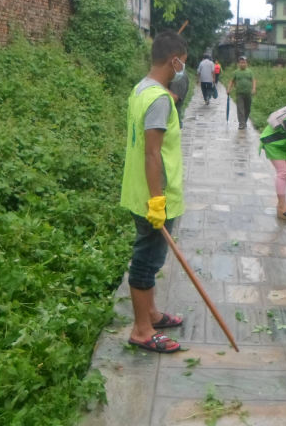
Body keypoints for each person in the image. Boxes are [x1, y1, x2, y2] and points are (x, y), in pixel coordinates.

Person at [120, 30, 188, 353]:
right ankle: (142, 331)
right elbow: (152, 153)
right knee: (146, 262)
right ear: (173, 61)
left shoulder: (141, 89)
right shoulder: (160, 100)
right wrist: (157, 201)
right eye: (182, 63)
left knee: (149, 258)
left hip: (139, 191)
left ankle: (151, 314)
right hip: (154, 197)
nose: (182, 69)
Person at [227, 56, 256, 130]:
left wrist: (253, 88)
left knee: (247, 109)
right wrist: (229, 89)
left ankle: (244, 122)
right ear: (238, 64)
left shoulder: (250, 72)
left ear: (246, 63)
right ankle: (241, 124)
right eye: (241, 63)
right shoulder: (236, 72)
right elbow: (231, 81)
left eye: (244, 62)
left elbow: (253, 80)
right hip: (239, 93)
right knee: (240, 109)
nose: (242, 64)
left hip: (248, 94)